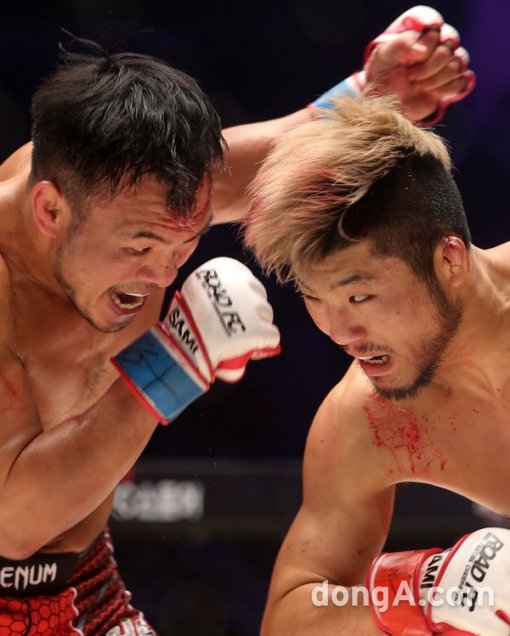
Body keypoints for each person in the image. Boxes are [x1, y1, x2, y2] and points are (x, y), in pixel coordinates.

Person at [0, 6, 475, 634]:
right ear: (50, 211)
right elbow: (13, 525)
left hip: (87, 578)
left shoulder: (124, 189)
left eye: (185, 244)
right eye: (141, 246)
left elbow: (256, 168)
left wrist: (372, 96)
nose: (162, 275)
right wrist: (174, 361)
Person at [243, 93, 510, 634]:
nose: (341, 333)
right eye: (314, 298)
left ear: (449, 261)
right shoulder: (367, 419)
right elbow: (291, 617)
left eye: (359, 296)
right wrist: (421, 589)